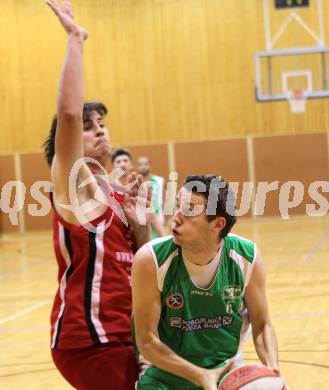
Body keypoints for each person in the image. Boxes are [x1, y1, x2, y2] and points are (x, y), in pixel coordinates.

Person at [44, 1, 150, 389]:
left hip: (130, 336)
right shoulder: (75, 184)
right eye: (90, 127)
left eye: (102, 123)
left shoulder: (119, 195)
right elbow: (68, 113)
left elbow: (143, 262)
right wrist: (75, 39)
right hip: (89, 341)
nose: (99, 130)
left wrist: (141, 227)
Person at [132, 175, 280, 390]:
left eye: (189, 210)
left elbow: (262, 324)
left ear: (217, 224)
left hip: (224, 370)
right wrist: (200, 376)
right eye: (177, 206)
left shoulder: (246, 258)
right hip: (163, 373)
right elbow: (146, 341)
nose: (176, 217)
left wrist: (274, 372)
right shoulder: (151, 259)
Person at [137, 156, 165, 238]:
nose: (143, 166)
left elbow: (166, 201)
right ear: (137, 166)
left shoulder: (160, 181)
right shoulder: (134, 183)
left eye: (145, 164)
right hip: (143, 225)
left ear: (150, 165)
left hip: (158, 222)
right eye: (140, 164)